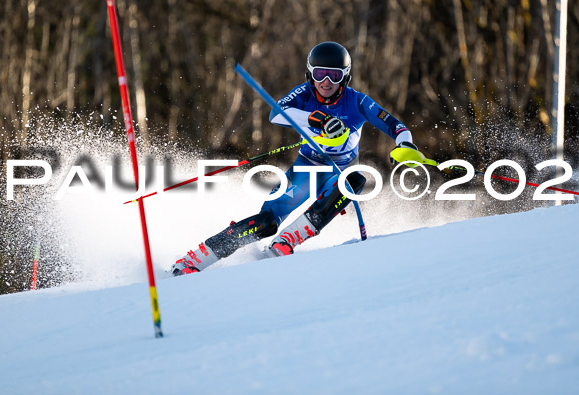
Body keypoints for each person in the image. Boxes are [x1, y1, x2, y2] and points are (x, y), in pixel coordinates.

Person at [171, 41, 418, 275]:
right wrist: (315, 119)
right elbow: (276, 114)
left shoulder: (358, 101)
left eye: (334, 75)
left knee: (354, 181)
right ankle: (196, 259)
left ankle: (289, 238)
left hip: (337, 172)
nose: (326, 81)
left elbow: (396, 126)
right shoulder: (305, 93)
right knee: (266, 222)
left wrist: (404, 145)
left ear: (346, 76)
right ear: (310, 73)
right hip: (305, 171)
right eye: (320, 73)